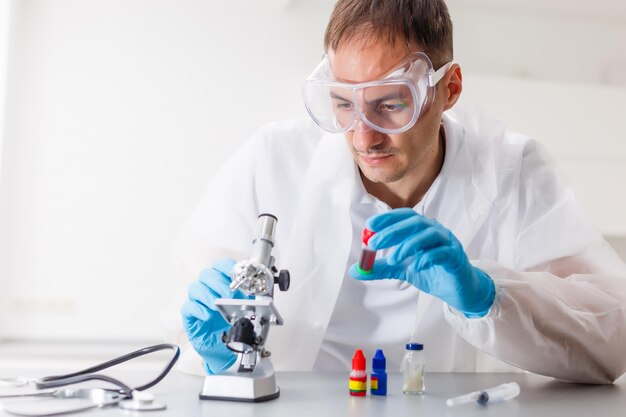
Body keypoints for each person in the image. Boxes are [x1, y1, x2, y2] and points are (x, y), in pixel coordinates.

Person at [177, 0, 626, 384]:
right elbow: (200, 333)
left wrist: (486, 295)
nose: (362, 138)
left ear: (449, 89)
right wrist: (219, 350)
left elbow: (612, 340)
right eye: (343, 105)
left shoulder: (513, 171)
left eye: (390, 105)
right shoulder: (273, 160)